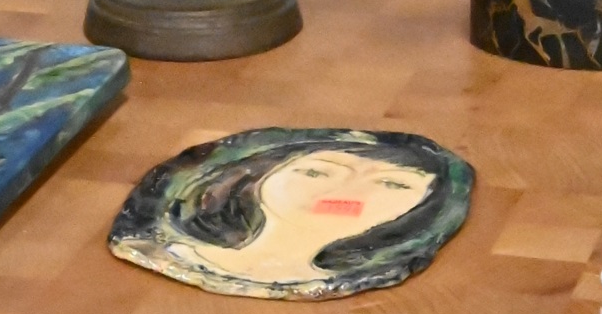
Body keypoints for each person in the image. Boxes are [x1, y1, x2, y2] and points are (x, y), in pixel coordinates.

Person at [113, 126, 470, 299]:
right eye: (316, 173)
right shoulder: (159, 245)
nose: (343, 193)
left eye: (393, 184)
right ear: (258, 176)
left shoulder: (374, 265)